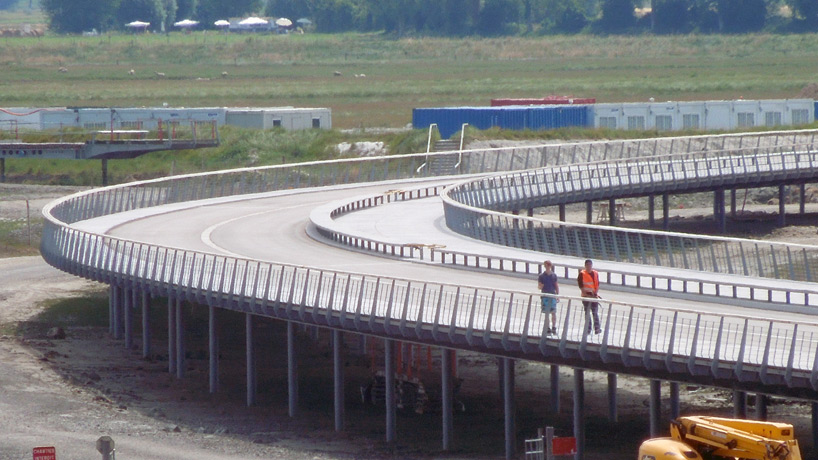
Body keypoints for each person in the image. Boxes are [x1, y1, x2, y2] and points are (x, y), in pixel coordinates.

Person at [576, 259, 601, 335]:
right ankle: (588, 329)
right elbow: (581, 286)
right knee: (587, 313)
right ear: (585, 266)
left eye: (590, 265)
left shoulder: (595, 273)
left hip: (594, 296)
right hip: (586, 296)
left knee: (595, 312)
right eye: (588, 265)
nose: (589, 266)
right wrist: (586, 294)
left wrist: (595, 293)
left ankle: (597, 328)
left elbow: (597, 284)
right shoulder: (582, 274)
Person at [537, 260, 559, 334]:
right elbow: (539, 286)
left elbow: (556, 286)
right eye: (546, 265)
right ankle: (548, 328)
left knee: (553, 312)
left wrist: (557, 295)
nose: (548, 267)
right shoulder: (541, 276)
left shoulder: (554, 275)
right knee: (546, 313)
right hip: (545, 296)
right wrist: (540, 286)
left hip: (552, 295)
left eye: (549, 265)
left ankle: (554, 327)